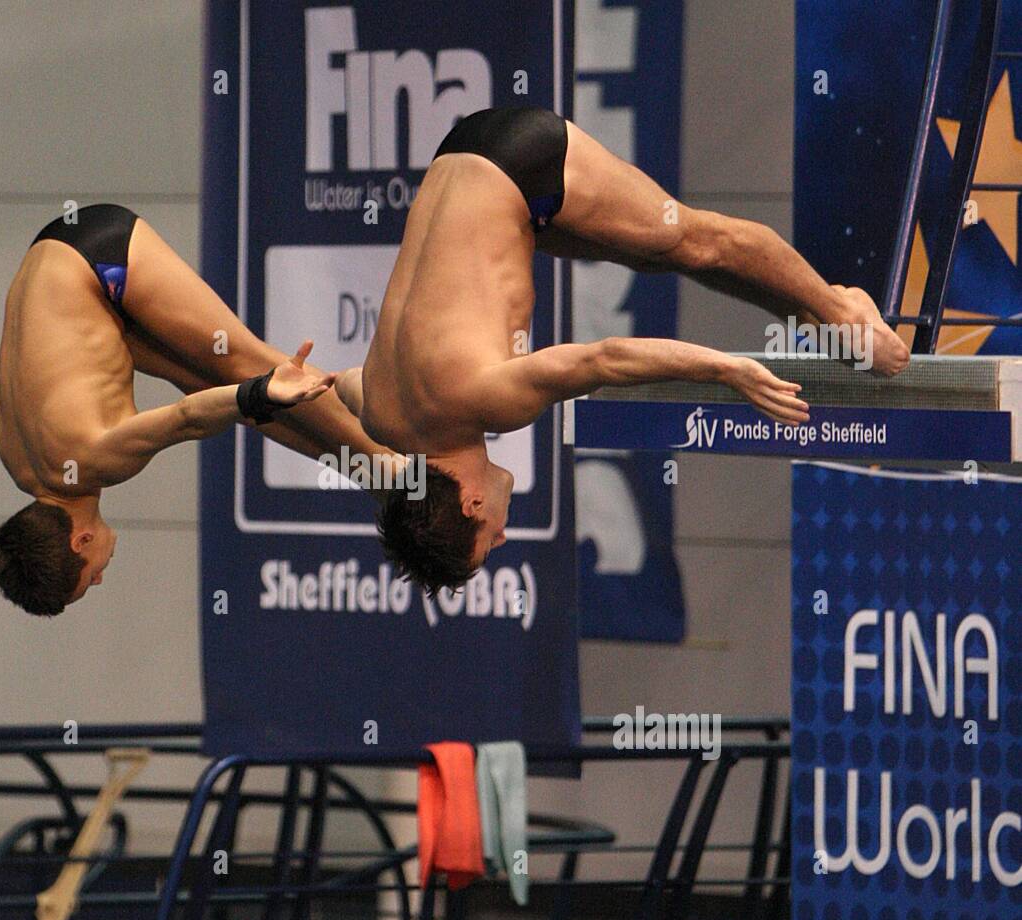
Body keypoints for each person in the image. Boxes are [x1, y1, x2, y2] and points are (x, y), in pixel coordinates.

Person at [335, 107, 910, 595]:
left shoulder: (484, 402)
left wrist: (726, 369)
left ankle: (842, 312)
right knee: (652, 253)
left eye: (490, 543)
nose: (505, 536)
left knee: (691, 238)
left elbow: (605, 359)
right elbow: (337, 385)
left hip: (524, 160)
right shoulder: (383, 415)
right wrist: (278, 385)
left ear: (471, 507)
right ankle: (808, 313)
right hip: (466, 158)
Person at [0, 204, 379, 615]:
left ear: (79, 541)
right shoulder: (19, 464)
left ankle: (392, 468)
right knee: (206, 380)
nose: (102, 576)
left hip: (100, 256)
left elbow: (185, 419)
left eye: (91, 578)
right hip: (60, 268)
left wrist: (258, 391)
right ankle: (370, 473)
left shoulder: (94, 463)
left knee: (243, 362)